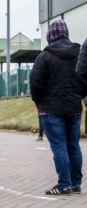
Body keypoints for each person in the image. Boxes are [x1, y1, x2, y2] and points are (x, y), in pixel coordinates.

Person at [29, 20, 84, 195]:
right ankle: (76, 183)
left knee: (59, 147)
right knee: (73, 146)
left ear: (50, 36)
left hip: (51, 109)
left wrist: (39, 101)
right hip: (74, 106)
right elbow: (84, 77)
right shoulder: (78, 53)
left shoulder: (44, 56)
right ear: (66, 33)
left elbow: (35, 82)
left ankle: (64, 184)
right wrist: (79, 95)